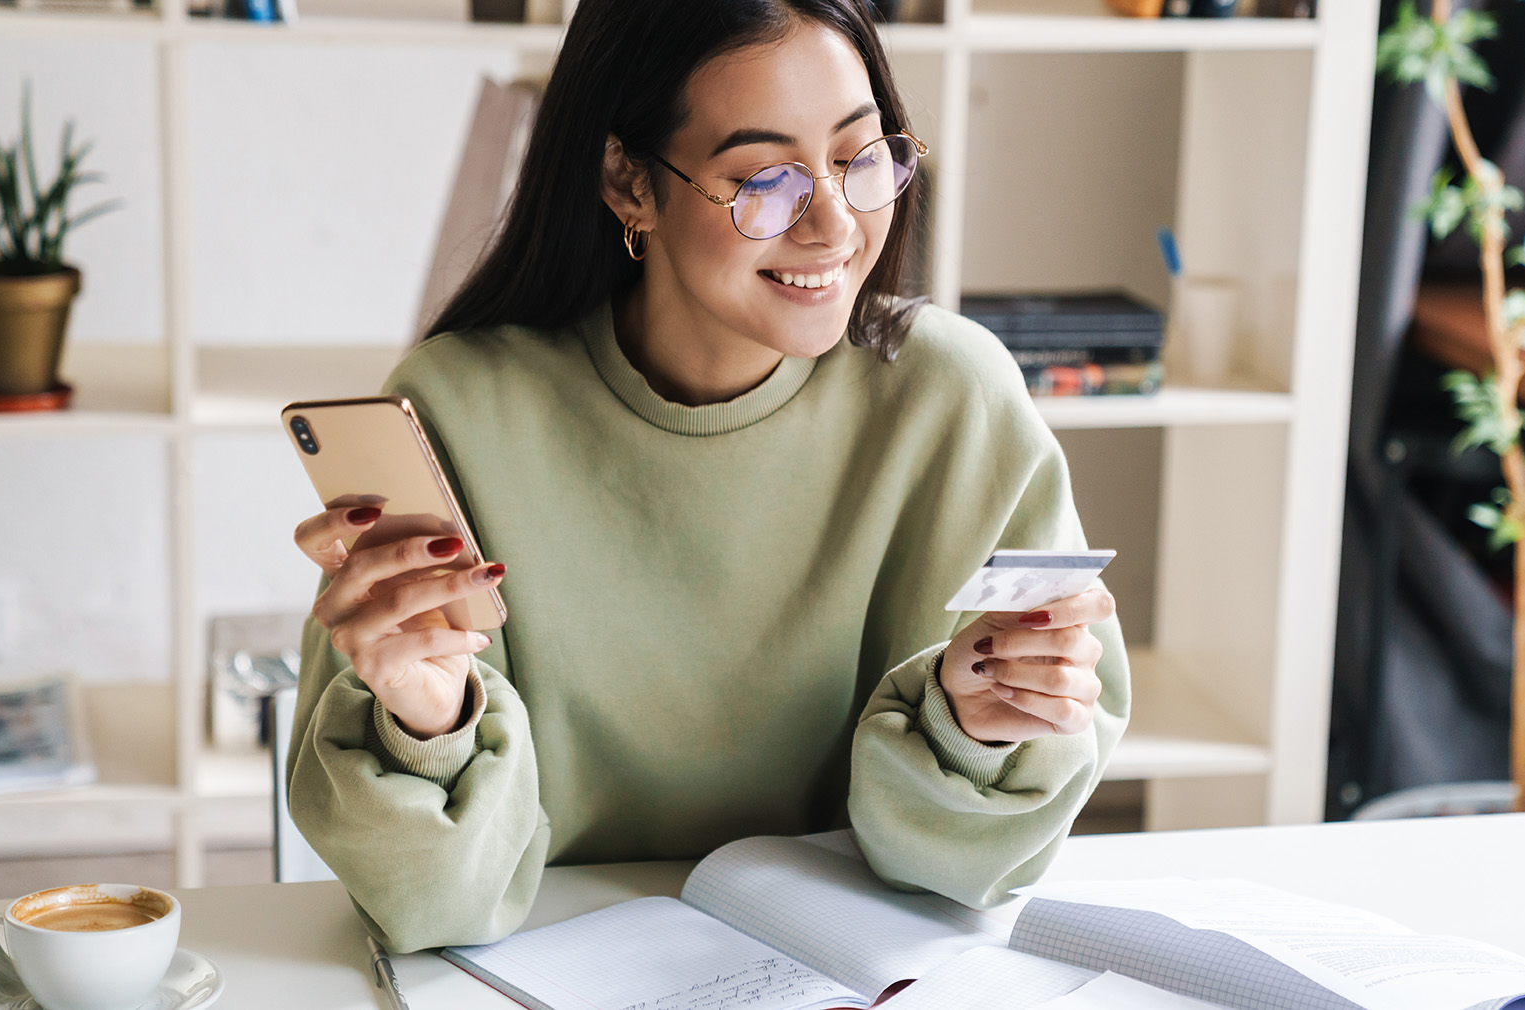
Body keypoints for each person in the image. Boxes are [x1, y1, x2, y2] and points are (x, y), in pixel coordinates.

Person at [286, 0, 1131, 953]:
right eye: (763, 178)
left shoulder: (954, 400)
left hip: (849, 970)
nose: (833, 225)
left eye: (862, 156)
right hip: (540, 970)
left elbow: (962, 880)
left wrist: (979, 727)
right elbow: (435, 909)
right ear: (628, 181)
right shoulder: (458, 410)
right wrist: (429, 721)